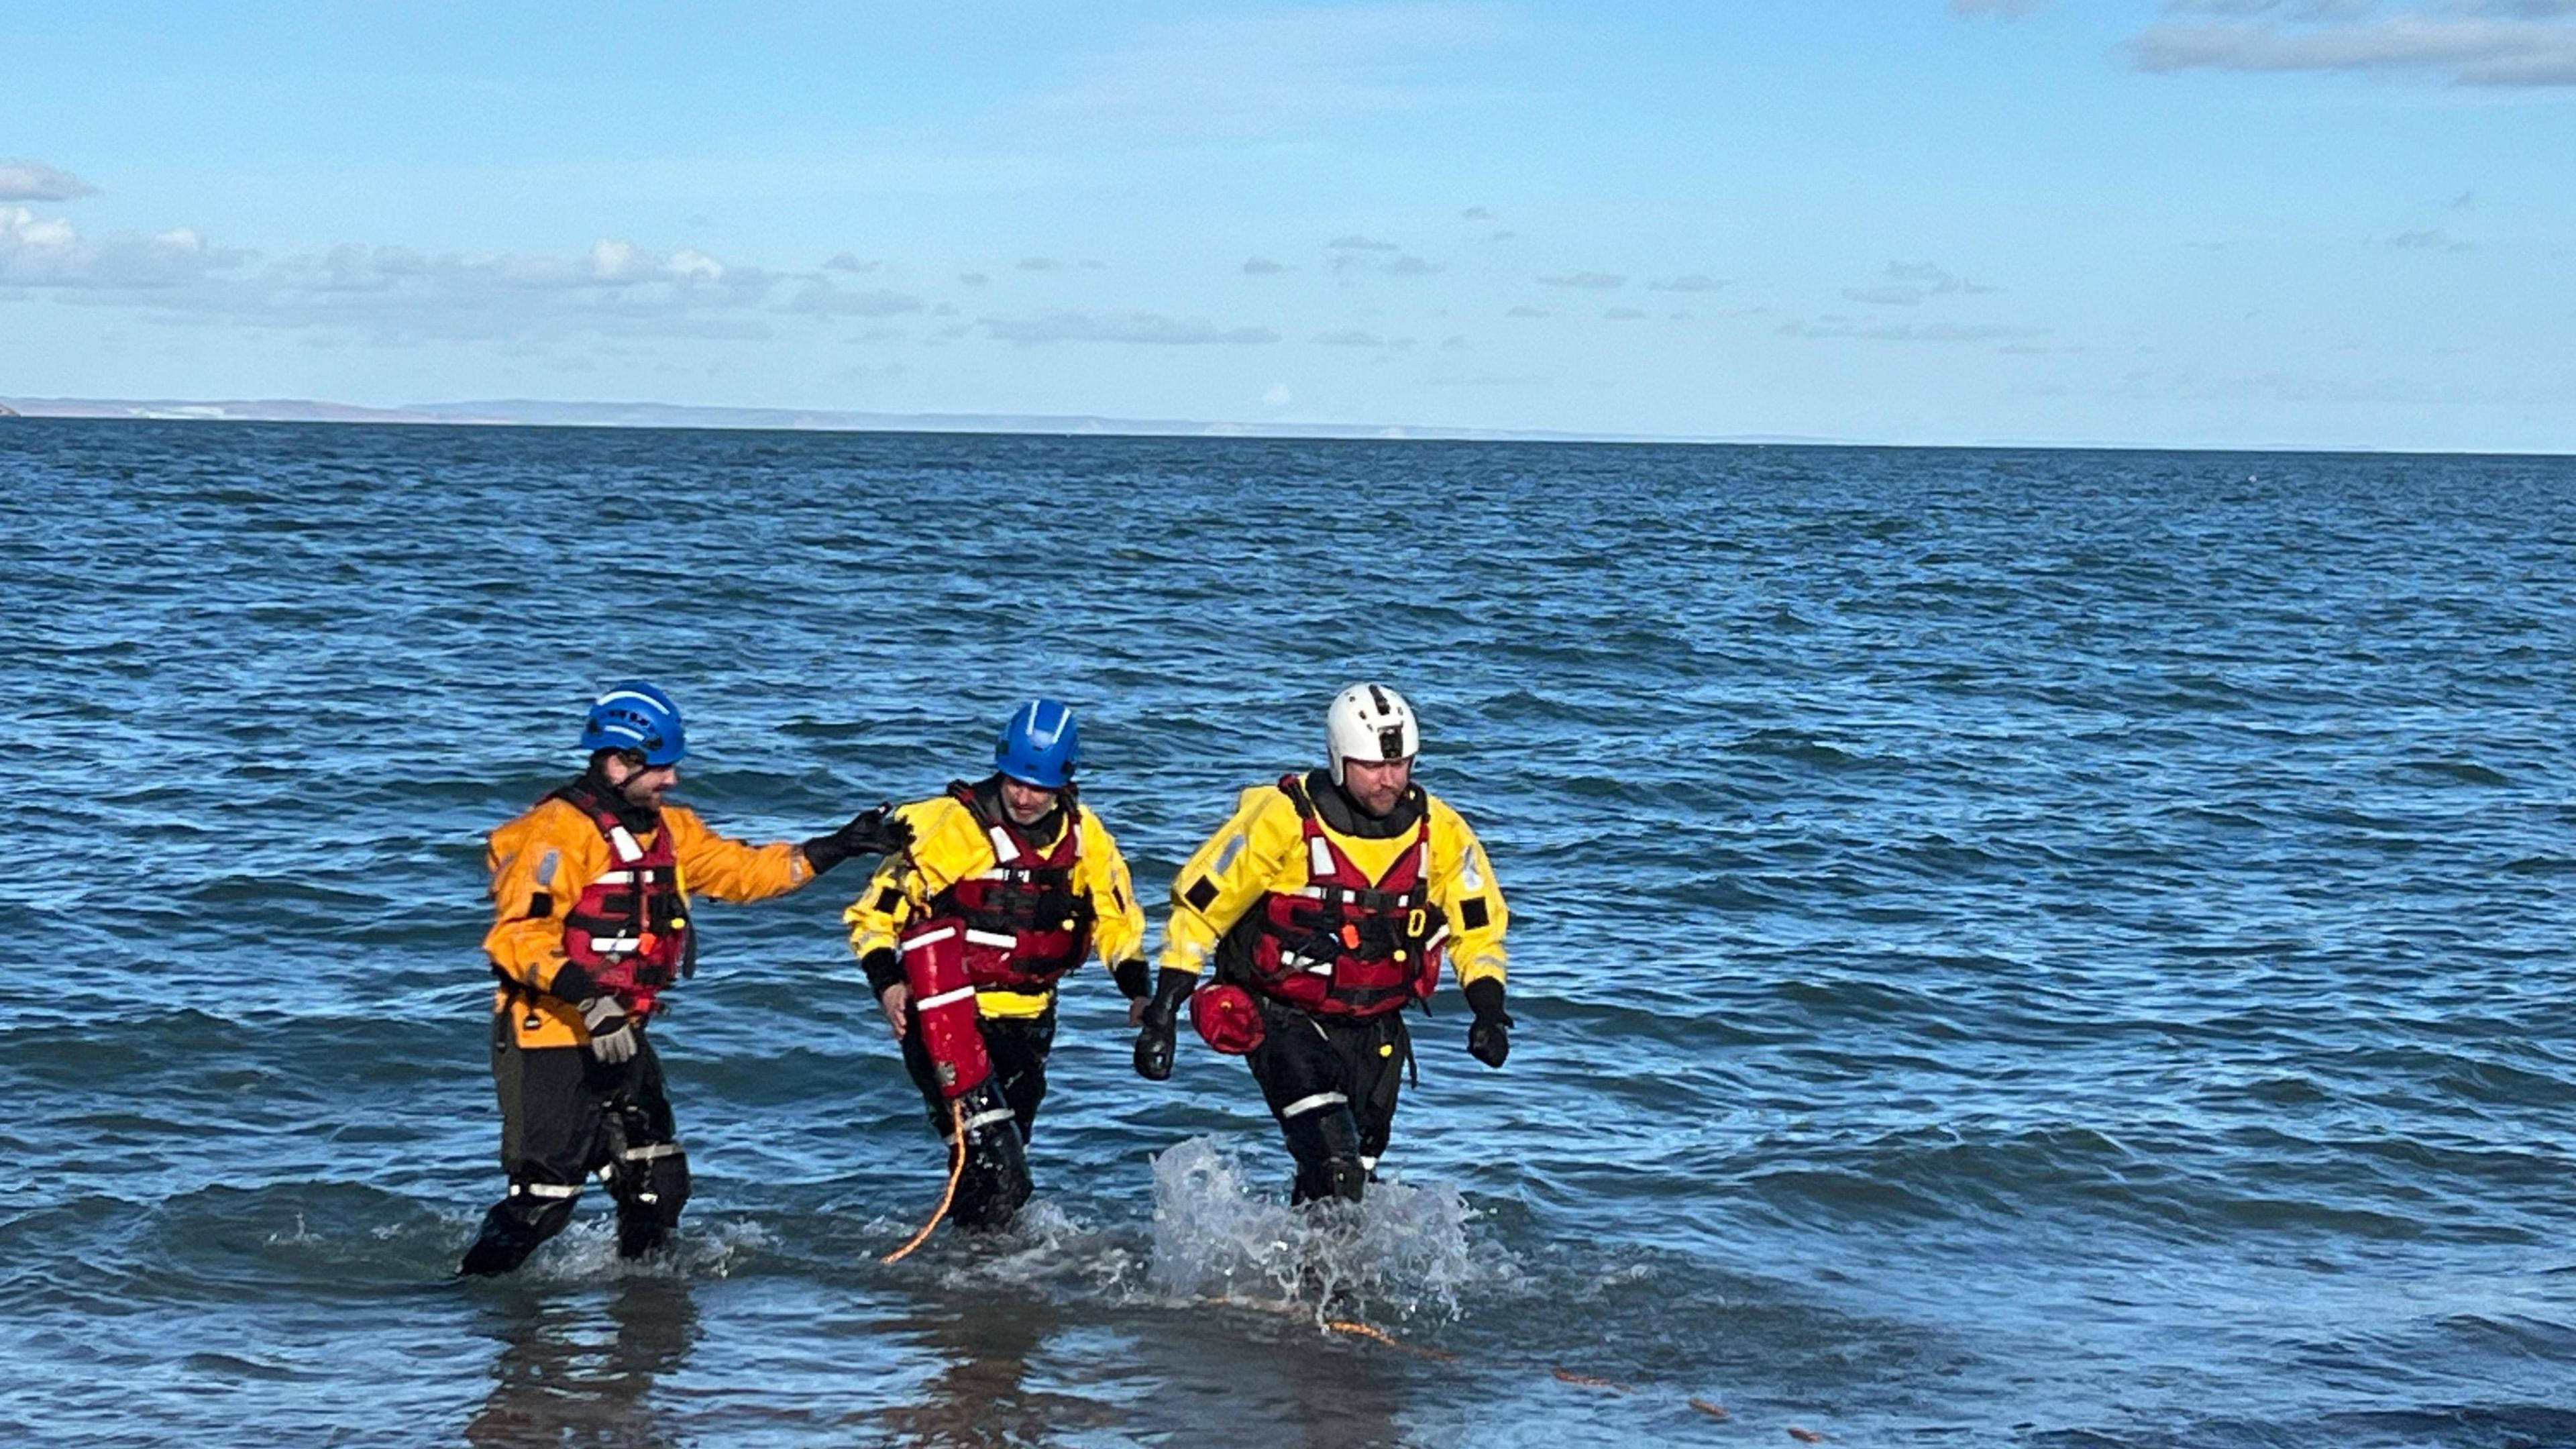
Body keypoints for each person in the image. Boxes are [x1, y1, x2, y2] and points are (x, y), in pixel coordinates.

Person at [459, 682, 910, 1276]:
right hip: (550, 1037)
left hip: (621, 1032)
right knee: (543, 1203)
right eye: (660, 769)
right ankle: (465, 1303)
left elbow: (741, 872)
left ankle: (643, 1325)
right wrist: (591, 1001)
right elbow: (516, 939)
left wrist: (836, 848)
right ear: (618, 762)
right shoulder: (554, 835)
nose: (671, 781)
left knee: (657, 1184)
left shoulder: (671, 830)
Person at [1132, 684, 1511, 1204]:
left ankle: (1309, 1280)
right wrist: (1164, 1012)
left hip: (1376, 1029)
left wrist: (1487, 1009)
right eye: (1373, 766)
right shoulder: (1282, 820)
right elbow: (1201, 910)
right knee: (1335, 1163)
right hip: (1283, 1019)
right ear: (1338, 759)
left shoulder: (1439, 831)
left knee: (1355, 1183)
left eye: (1401, 766)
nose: (1389, 781)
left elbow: (1478, 925)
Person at [846, 699, 1148, 1231]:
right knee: (1003, 1169)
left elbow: (1117, 923)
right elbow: (873, 915)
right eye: (1015, 782)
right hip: (946, 1021)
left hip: (1029, 1024)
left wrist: (1138, 992)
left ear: (1065, 782)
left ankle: (967, 1287)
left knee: (990, 1177)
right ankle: (975, 1284)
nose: (1025, 797)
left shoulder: (1086, 839)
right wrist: (887, 983)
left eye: (1040, 787)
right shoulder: (949, 828)